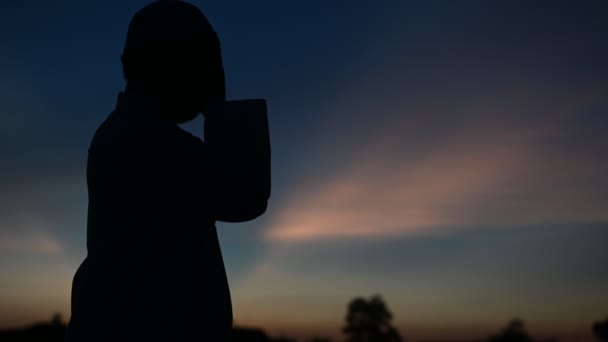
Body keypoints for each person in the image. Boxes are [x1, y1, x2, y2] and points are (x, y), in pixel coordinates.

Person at [64, 1, 271, 341]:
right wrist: (217, 104)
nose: (209, 74)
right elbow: (246, 195)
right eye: (203, 62)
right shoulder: (149, 143)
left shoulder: (130, 135)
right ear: (168, 65)